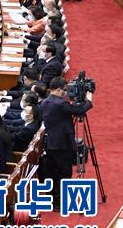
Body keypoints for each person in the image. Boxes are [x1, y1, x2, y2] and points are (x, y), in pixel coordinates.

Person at [39, 76, 93, 205]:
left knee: (52, 171)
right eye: (64, 90)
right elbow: (80, 110)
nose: (66, 93)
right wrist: (89, 100)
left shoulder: (44, 102)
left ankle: (52, 197)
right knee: (64, 173)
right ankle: (60, 201)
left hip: (50, 143)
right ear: (58, 89)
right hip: (63, 145)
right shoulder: (60, 104)